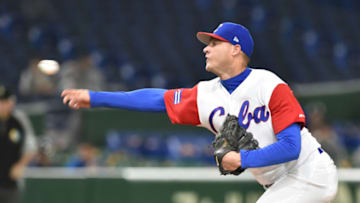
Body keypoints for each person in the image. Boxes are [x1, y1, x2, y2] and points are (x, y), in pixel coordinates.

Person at [61, 22, 338, 202]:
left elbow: (291, 147)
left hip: (309, 172)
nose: (206, 48)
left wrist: (242, 158)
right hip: (279, 184)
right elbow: (157, 99)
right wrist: (95, 98)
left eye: (215, 43)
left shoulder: (269, 85)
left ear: (236, 49)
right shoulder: (206, 95)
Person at [0, 85, 37, 203]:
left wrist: (21, 165)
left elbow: (31, 146)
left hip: (11, 183)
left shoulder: (18, 120)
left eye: (3, 102)